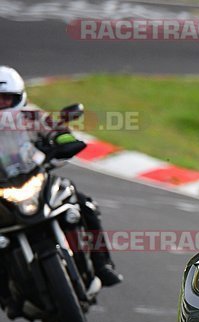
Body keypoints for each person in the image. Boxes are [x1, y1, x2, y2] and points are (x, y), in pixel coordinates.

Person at [0, 66, 122, 287]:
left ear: (19, 98)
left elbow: (59, 133)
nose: (2, 104)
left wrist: (65, 142)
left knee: (82, 204)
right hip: (2, 189)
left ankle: (101, 264)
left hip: (34, 177)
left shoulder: (32, 117)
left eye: (7, 99)